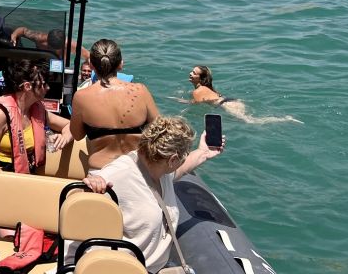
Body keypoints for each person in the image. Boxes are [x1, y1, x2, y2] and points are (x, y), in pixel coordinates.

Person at [80, 116, 224, 272]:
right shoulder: (120, 173)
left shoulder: (160, 172)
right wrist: (92, 185)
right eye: (184, 155)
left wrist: (203, 152)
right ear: (173, 159)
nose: (183, 161)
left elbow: (180, 170)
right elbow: (76, 200)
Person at [69, 39, 159, 171]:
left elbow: (77, 135)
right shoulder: (141, 90)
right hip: (137, 170)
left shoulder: (81, 97)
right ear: (120, 64)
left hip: (102, 173)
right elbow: (159, 130)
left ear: (91, 65)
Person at [0, 59, 73, 174]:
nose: (48, 88)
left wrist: (65, 138)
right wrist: (6, 179)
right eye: (43, 84)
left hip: (27, 175)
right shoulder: (0, 114)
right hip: (1, 174)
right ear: (27, 86)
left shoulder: (38, 111)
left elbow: (70, 125)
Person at [187, 65, 301, 124]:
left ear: (200, 78)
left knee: (251, 121)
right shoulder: (208, 88)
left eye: (194, 73)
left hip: (227, 105)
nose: (190, 74)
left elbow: (195, 104)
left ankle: (284, 119)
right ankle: (283, 119)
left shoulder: (198, 91)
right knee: (247, 120)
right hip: (230, 101)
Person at [9, 26, 90, 61]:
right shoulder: (39, 38)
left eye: (56, 48)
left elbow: (87, 55)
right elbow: (23, 30)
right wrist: (14, 35)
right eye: (51, 47)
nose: (52, 50)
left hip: (58, 67)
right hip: (39, 62)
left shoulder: (69, 44)